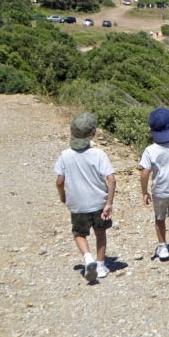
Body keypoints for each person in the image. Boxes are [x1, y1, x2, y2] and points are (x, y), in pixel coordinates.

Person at [54, 112, 116, 283]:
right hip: (98, 202)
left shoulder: (65, 155)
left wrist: (63, 197)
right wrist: (109, 202)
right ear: (93, 134)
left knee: (79, 233)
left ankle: (88, 258)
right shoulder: (98, 154)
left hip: (78, 204)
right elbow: (111, 179)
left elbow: (59, 181)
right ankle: (101, 265)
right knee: (100, 232)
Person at [139, 107, 169, 269]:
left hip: (159, 192)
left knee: (159, 219)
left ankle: (163, 247)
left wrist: (144, 191)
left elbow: (144, 173)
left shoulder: (150, 151)